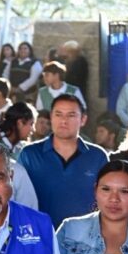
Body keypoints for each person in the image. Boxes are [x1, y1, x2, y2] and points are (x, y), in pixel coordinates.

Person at [18, 94, 109, 227]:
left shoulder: (98, 156)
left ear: (83, 119)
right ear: (51, 117)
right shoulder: (30, 155)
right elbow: (17, 199)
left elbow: (106, 199)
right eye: (58, 114)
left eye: (71, 115)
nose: (63, 121)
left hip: (85, 238)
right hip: (40, 235)